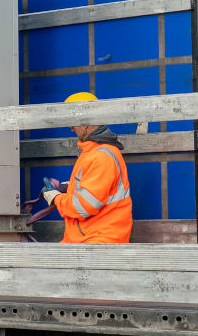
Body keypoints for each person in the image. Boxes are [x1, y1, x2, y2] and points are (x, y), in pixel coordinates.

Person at [41, 91, 133, 244]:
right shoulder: (92, 152)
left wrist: (55, 197)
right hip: (86, 239)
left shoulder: (101, 156)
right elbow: (93, 190)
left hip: (98, 243)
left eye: (72, 123)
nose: (71, 129)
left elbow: (83, 207)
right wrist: (67, 187)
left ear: (85, 122)